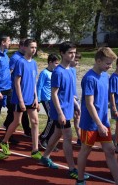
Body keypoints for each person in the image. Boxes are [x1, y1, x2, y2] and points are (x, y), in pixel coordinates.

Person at [40, 42, 89, 181]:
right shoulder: (58, 72)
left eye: (74, 52)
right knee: (67, 136)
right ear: (62, 53)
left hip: (68, 108)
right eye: (70, 53)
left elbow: (70, 92)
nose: (73, 55)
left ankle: (45, 157)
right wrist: (60, 113)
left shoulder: (71, 70)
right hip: (60, 110)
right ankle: (72, 169)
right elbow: (54, 94)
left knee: (57, 133)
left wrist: (75, 104)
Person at [76, 47, 118, 185]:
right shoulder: (89, 78)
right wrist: (99, 124)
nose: (110, 66)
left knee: (109, 151)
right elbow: (89, 104)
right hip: (91, 123)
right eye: (108, 63)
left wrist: (112, 109)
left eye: (111, 63)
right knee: (86, 150)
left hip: (103, 122)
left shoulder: (105, 76)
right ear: (98, 61)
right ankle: (80, 179)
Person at [0, 39, 41, 160]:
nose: (33, 50)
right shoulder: (20, 62)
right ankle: (4, 141)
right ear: (26, 48)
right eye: (32, 47)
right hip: (20, 98)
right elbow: (17, 82)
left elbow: (34, 82)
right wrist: (21, 100)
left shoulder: (33, 63)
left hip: (31, 98)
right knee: (17, 122)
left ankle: (35, 149)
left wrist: (36, 98)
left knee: (35, 122)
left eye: (35, 47)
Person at [9, 38, 32, 140]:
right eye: (25, 46)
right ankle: (7, 137)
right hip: (16, 90)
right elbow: (10, 72)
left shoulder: (27, 59)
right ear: (22, 47)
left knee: (22, 114)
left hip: (26, 92)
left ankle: (27, 130)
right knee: (15, 115)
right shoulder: (16, 58)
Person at [37, 53, 60, 149]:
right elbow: (39, 86)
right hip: (46, 98)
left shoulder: (55, 73)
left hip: (53, 99)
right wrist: (37, 101)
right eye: (56, 63)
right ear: (50, 62)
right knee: (51, 119)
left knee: (55, 120)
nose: (57, 65)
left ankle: (50, 140)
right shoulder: (44, 73)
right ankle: (43, 138)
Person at [70, 52, 82, 146]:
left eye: (78, 61)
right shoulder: (66, 70)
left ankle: (80, 138)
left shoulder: (73, 70)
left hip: (75, 97)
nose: (77, 62)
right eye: (76, 60)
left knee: (77, 117)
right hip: (69, 98)